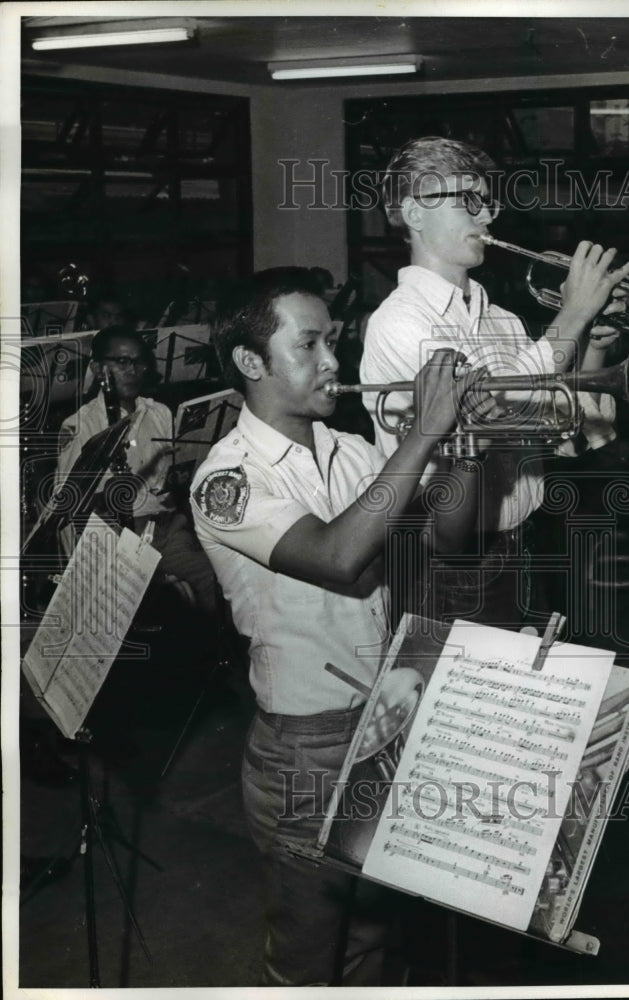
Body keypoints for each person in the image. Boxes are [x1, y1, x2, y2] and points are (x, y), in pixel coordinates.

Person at [189, 267, 493, 986]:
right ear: (249, 362)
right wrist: (424, 431)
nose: (334, 361)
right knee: (306, 952)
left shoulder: (351, 451)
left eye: (337, 342)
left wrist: (467, 444)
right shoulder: (227, 481)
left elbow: (453, 533)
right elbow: (337, 554)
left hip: (380, 722)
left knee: (367, 939)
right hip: (304, 746)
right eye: (312, 345)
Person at [360, 135, 629, 629]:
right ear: (414, 213)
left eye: (487, 202)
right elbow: (485, 411)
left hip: (523, 545)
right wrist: (572, 316)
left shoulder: (502, 320)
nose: (486, 217)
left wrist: (594, 342)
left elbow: (573, 434)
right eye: (468, 201)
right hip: (445, 565)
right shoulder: (398, 322)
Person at [55, 325, 217, 616]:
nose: (132, 370)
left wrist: (178, 479)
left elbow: (171, 479)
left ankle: (213, 654)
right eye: (121, 362)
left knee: (212, 579)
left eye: (139, 362)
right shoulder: (80, 425)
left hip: (166, 526)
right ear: (97, 367)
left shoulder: (160, 413)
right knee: (149, 606)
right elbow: (69, 504)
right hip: (115, 535)